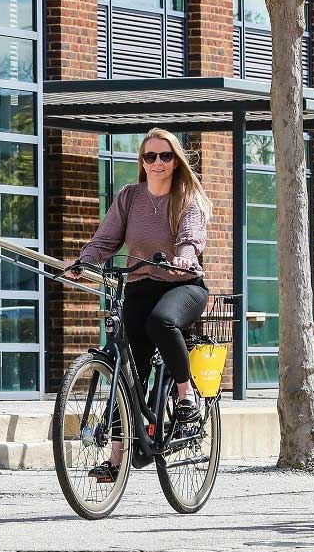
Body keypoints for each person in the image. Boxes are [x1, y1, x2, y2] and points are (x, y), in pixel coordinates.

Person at [66, 128, 213, 483]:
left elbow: (192, 235)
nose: (158, 163)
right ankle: (117, 459)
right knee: (125, 369)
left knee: (161, 322)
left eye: (165, 156)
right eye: (150, 156)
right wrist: (85, 261)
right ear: (142, 162)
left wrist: (185, 256)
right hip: (139, 287)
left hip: (183, 286)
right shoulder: (129, 197)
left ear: (176, 162)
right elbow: (105, 240)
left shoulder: (186, 197)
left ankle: (185, 393)